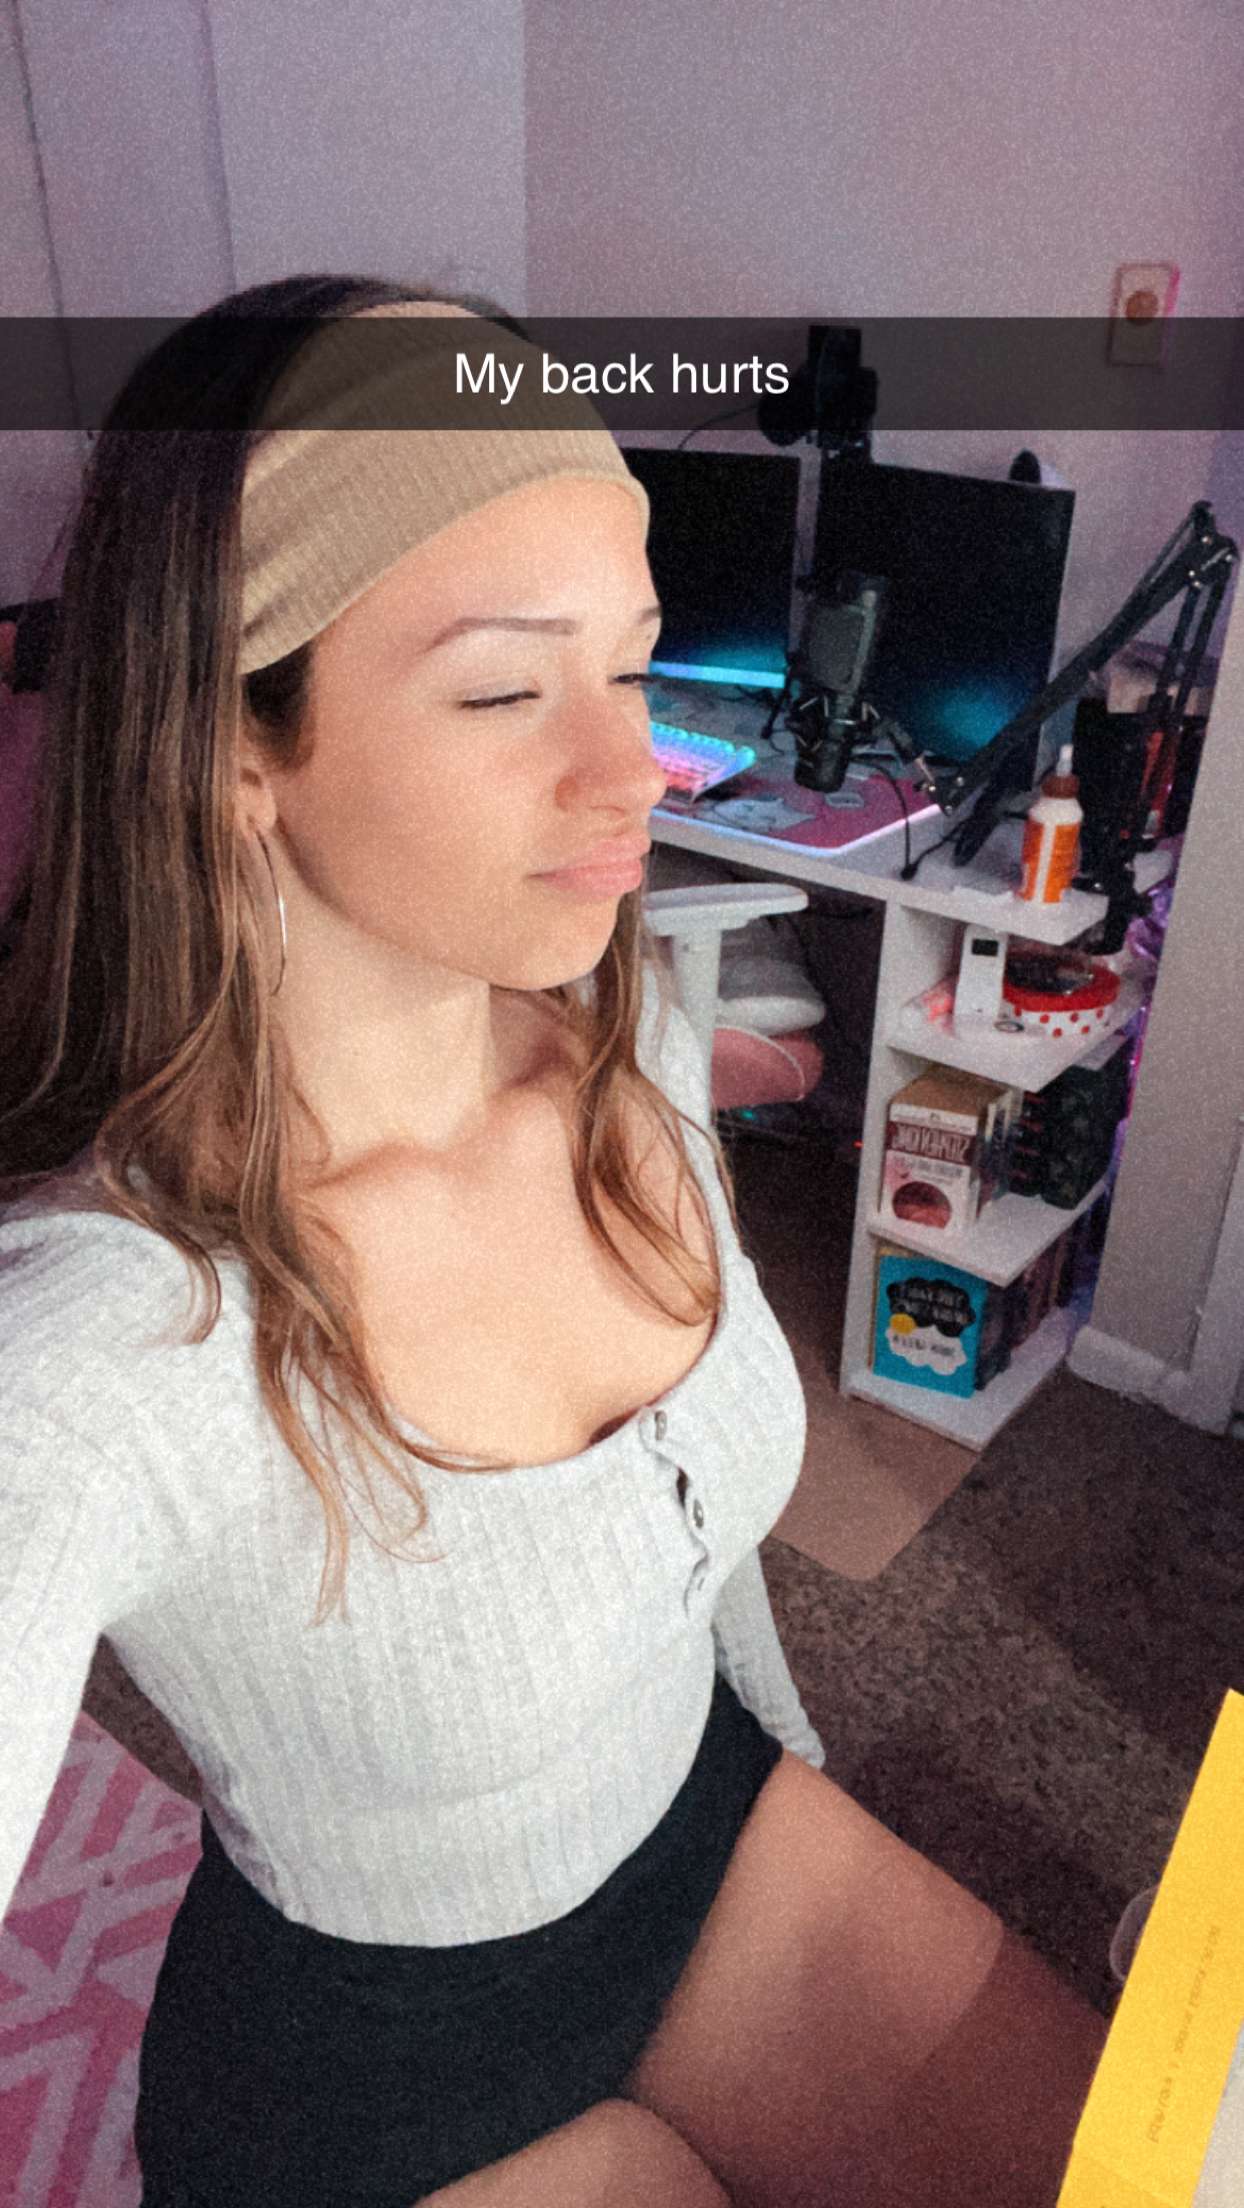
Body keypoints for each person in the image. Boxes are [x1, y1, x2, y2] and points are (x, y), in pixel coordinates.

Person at [0, 275, 1107, 2208]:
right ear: (235, 746)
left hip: (714, 1841)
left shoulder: (636, 1050)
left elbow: (692, 1556)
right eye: (509, 689)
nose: (634, 776)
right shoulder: (105, 1344)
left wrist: (790, 1766)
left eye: (637, 667)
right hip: (376, 2076)